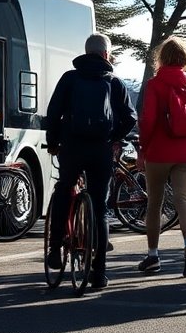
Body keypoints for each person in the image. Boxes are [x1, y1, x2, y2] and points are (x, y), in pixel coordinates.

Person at [45, 33, 137, 290]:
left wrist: (53, 142)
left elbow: (53, 113)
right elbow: (130, 118)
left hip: (72, 147)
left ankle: (55, 248)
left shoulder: (70, 78)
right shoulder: (114, 82)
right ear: (106, 55)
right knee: (100, 206)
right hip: (100, 149)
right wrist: (114, 138)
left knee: (65, 188)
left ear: (85, 52)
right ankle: (99, 272)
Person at [136, 36, 186, 277]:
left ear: (162, 57)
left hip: (159, 150)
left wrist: (142, 149)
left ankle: (153, 256)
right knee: (183, 200)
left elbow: (148, 121)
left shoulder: (155, 84)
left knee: (154, 203)